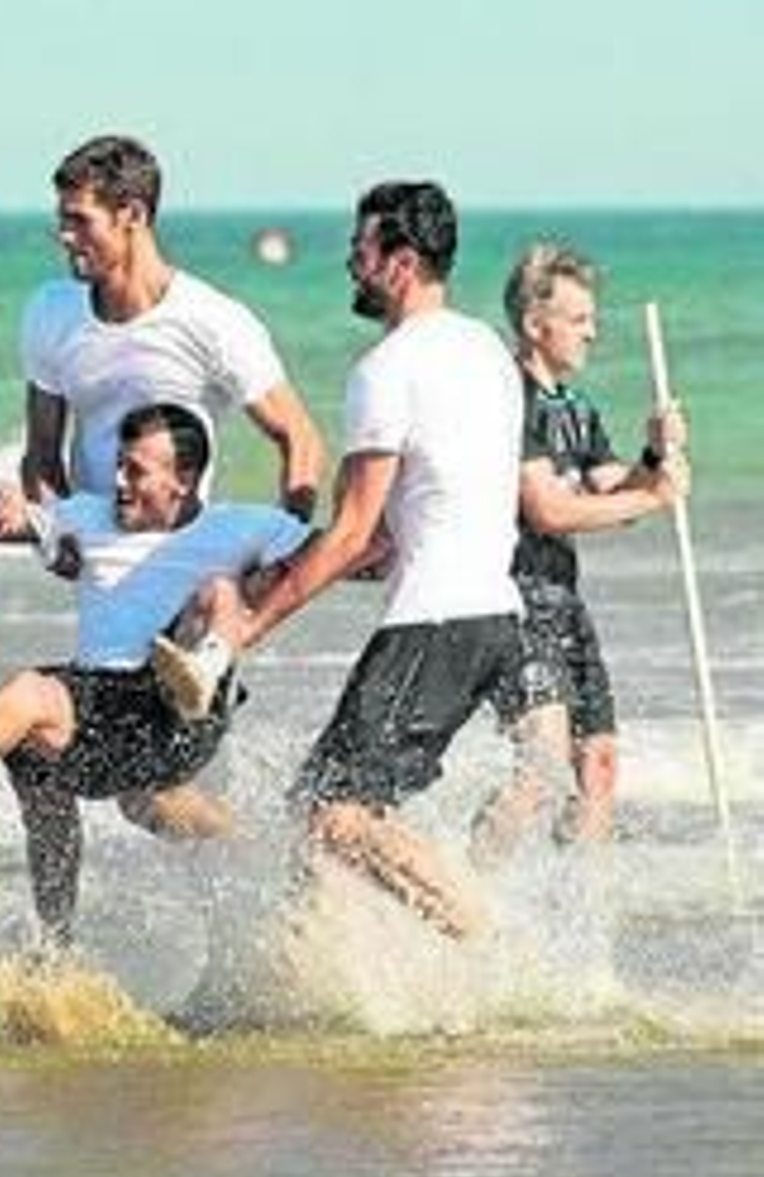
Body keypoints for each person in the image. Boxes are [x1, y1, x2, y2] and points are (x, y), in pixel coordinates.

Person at [215, 181, 525, 940]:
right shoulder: (486, 349)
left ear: (402, 262)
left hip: (437, 619)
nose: (351, 265)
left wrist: (248, 626)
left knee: (334, 813)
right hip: (489, 617)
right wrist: (301, 561)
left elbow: (354, 531)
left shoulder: (386, 369)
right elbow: (399, 524)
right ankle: (335, 981)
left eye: (362, 251)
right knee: (320, 808)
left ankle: (483, 941)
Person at [0, 403, 312, 946]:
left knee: (214, 593)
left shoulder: (242, 526)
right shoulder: (86, 515)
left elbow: (339, 552)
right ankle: (57, 945)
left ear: (184, 480)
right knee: (40, 761)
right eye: (120, 465)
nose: (120, 483)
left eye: (137, 471)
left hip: (178, 701)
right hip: (100, 708)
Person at [468, 244, 688, 865]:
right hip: (512, 601)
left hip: (564, 597)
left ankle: (574, 924)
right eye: (580, 318)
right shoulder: (510, 399)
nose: (593, 331)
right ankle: (464, 892)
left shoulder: (575, 407)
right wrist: (655, 499)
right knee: (539, 770)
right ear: (538, 326)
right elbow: (549, 511)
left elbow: (610, 487)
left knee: (599, 763)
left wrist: (654, 460)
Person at [18, 133, 324, 521]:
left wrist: (282, 549)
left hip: (181, 557)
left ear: (134, 215)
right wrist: (62, 539)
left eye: (80, 220)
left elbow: (301, 438)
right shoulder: (50, 310)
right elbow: (42, 454)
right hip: (92, 561)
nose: (65, 236)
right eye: (62, 220)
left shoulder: (213, 320)